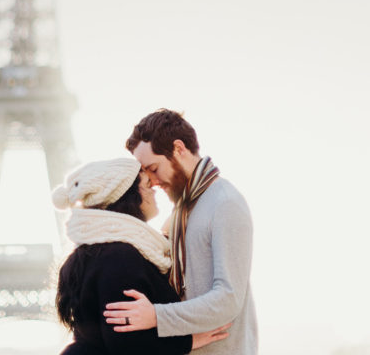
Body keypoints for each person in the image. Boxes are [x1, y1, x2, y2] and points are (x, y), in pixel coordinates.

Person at [103, 110, 257, 355]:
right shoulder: (180, 211)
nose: (152, 182)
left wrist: (156, 316)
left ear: (178, 149)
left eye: (154, 168)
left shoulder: (225, 203)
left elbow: (228, 299)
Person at [53, 156, 230, 355]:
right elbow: (125, 341)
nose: (154, 189)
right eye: (147, 185)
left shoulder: (97, 252)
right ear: (128, 196)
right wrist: (188, 341)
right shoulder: (119, 258)